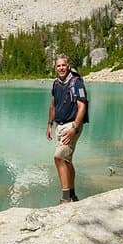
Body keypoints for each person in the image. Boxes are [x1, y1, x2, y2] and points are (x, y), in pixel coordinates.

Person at [46, 54, 88, 204]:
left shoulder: (76, 83)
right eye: (58, 66)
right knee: (67, 160)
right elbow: (53, 105)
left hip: (72, 125)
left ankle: (65, 199)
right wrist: (50, 124)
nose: (61, 68)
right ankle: (73, 195)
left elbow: (82, 106)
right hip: (59, 126)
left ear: (68, 66)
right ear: (55, 68)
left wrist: (74, 128)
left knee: (59, 157)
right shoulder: (56, 84)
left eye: (63, 65)